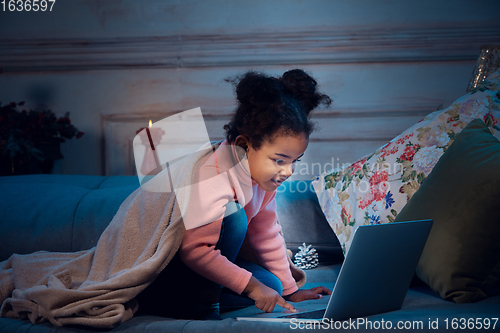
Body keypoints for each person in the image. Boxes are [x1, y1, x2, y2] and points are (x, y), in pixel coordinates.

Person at [136, 69, 333, 320]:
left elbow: (266, 233)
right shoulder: (213, 176)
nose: (288, 171)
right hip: (169, 267)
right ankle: (183, 302)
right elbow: (194, 249)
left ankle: (191, 297)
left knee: (273, 286)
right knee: (235, 216)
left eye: (295, 161)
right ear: (243, 145)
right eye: (279, 160)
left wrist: (291, 291)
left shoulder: (263, 177)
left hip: (202, 266)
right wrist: (251, 287)